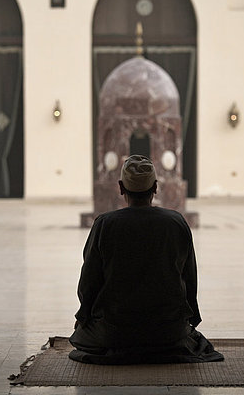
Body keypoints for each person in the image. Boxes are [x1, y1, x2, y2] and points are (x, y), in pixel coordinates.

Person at [69, 155, 224, 365]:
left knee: (82, 336)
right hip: (168, 331)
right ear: (156, 187)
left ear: (121, 188)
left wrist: (84, 317)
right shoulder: (176, 222)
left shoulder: (105, 224)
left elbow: (89, 282)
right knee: (185, 338)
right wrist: (189, 321)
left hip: (114, 332)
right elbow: (189, 277)